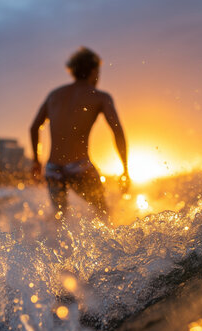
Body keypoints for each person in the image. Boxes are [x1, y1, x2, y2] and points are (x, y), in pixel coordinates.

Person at [30, 47, 129, 222]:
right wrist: (125, 169)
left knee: (60, 219)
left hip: (53, 169)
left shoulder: (54, 95)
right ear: (93, 71)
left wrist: (36, 162)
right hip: (79, 167)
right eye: (98, 71)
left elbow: (34, 127)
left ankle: (53, 247)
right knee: (103, 213)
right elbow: (117, 132)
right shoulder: (100, 97)